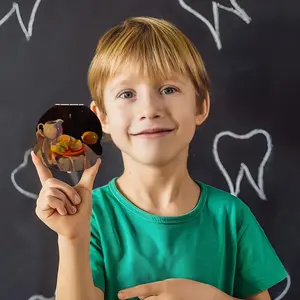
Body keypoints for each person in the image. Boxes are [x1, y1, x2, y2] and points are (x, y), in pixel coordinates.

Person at [31, 16, 288, 300]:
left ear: (200, 106)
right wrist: (72, 239)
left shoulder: (231, 217)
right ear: (101, 117)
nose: (150, 109)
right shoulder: (91, 216)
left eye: (168, 89)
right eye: (127, 93)